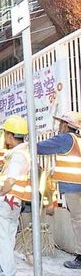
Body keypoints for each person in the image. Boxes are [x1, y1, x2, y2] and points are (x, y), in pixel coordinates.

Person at [36, 111, 81, 269]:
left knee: (78, 221)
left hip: (73, 186)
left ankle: (80, 256)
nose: (59, 126)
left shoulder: (66, 138)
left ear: (67, 125)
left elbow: (41, 147)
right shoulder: (78, 140)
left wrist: (22, 145)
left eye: (61, 123)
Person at [0, 115, 31, 276]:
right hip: (14, 202)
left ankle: (9, 272)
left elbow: (10, 179)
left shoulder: (17, 156)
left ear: (11, 135)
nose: (4, 137)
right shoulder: (24, 152)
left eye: (6, 134)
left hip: (4, 201)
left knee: (1, 241)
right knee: (7, 238)